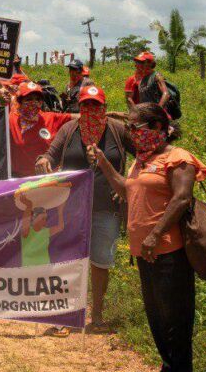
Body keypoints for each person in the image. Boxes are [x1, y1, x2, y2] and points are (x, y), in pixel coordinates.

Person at [89, 102, 206, 372]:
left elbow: (181, 198)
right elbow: (125, 190)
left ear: (156, 127)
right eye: (129, 127)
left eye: (135, 127)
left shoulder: (178, 158)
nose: (131, 133)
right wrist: (104, 163)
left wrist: (155, 234)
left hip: (169, 250)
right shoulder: (141, 161)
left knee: (175, 314)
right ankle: (168, 370)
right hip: (144, 251)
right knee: (156, 315)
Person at [38, 85, 135, 332]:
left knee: (101, 261)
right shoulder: (69, 129)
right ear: (79, 108)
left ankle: (97, 316)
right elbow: (50, 154)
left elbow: (144, 156)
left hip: (107, 207)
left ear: (103, 107)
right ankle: (66, 315)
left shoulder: (118, 130)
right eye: (85, 105)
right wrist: (44, 162)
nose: (90, 110)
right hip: (70, 208)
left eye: (95, 105)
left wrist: (126, 183)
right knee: (67, 260)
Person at [6, 81, 74, 178]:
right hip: (20, 181)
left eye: (38, 99)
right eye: (29, 99)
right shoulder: (10, 119)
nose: (34, 103)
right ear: (20, 101)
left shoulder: (51, 118)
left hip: (48, 180)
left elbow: (78, 118)